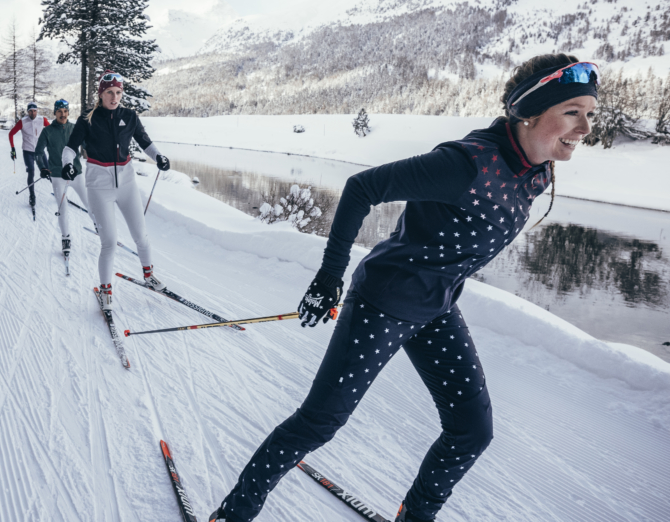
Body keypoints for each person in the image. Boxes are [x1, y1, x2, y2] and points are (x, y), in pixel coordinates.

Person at [208, 53, 598, 522]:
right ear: (529, 112)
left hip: (437, 307)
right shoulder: (464, 164)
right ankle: (233, 514)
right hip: (384, 302)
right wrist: (329, 276)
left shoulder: (533, 171)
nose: (585, 127)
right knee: (319, 423)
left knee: (472, 431)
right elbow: (359, 188)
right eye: (572, 112)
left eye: (590, 114)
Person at [61, 71, 171, 310]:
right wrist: (68, 165)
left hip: (127, 184)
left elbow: (145, 143)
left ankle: (149, 276)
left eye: (118, 92)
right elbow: (69, 149)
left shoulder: (129, 116)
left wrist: (159, 157)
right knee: (109, 242)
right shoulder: (86, 120)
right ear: (101, 94)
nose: (114, 97)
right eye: (109, 92)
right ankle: (105, 291)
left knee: (141, 236)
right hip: (99, 186)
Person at [37, 99, 97, 255]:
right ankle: (65, 238)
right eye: (59, 111)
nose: (62, 114)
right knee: (62, 208)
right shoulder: (47, 131)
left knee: (89, 203)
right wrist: (43, 167)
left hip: (76, 173)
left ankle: (100, 227)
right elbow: (38, 152)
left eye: (65, 111)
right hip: (57, 175)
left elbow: (88, 146)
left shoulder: (74, 128)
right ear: (55, 113)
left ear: (68, 112)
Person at [8, 102, 49, 206]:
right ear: (28, 112)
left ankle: (59, 193)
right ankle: (32, 195)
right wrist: (13, 149)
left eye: (34, 111)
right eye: (30, 111)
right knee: (31, 171)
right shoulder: (22, 122)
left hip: (39, 151)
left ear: (37, 111)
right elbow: (11, 133)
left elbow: (52, 130)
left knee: (48, 171)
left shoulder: (42, 120)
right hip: (28, 151)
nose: (33, 113)